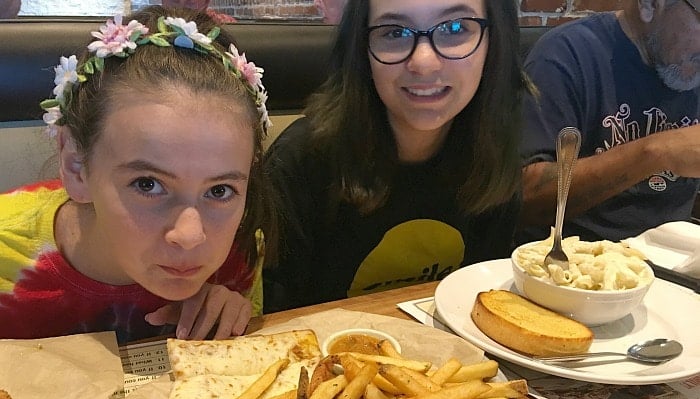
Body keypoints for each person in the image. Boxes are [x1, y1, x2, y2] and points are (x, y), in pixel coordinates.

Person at [0, 6, 278, 343]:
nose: (190, 236)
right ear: (76, 166)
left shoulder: (238, 252)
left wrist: (230, 322)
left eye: (220, 190)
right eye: (148, 184)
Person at [263, 0, 527, 312]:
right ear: (362, 48)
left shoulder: (493, 150)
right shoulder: (300, 161)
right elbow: (272, 317)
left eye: (455, 28)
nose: (423, 62)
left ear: (494, 41)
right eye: (394, 32)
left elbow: (483, 305)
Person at [518, 0, 700, 243]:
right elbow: (525, 199)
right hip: (577, 257)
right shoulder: (565, 55)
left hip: (677, 256)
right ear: (649, 5)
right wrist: (657, 153)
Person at [160, 0, 237, 24]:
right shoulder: (153, 23)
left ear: (206, 2)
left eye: (190, 1)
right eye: (174, 0)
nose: (182, 5)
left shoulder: (224, 25)